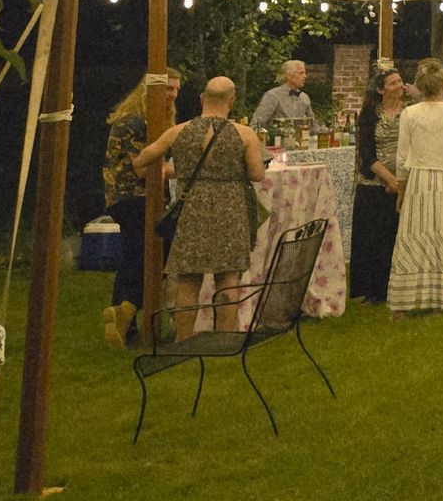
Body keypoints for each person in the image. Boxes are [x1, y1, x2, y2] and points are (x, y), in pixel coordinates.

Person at [133, 77, 268, 341]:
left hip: (192, 207)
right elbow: (257, 174)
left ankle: (183, 339)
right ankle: (225, 339)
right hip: (231, 209)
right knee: (229, 276)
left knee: (188, 278)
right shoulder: (245, 134)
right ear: (232, 100)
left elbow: (143, 160)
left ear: (202, 99)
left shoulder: (179, 131)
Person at [100, 66, 182, 347]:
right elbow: (142, 166)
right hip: (135, 197)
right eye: (168, 88)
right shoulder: (137, 122)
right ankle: (130, 310)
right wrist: (182, 170)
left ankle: (123, 317)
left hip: (125, 198)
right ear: (150, 89)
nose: (172, 94)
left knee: (134, 256)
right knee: (156, 252)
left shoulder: (143, 118)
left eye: (176, 90)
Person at [387, 58, 443, 314]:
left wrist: (400, 189)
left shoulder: (409, 114)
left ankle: (405, 301)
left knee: (415, 234)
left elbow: (401, 157)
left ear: (419, 85)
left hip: (420, 181)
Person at [351, 66, 407, 302]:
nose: (399, 86)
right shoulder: (369, 114)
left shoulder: (410, 112)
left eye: (400, 81)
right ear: (382, 90)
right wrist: (390, 180)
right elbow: (366, 152)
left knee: (394, 235)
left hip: (403, 181)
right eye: (393, 83)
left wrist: (402, 182)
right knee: (372, 236)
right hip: (374, 181)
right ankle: (371, 289)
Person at [249, 58, 313, 140]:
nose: (305, 76)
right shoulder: (272, 96)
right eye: (301, 73)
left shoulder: (304, 97)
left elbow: (313, 126)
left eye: (305, 73)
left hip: (301, 144)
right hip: (276, 144)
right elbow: (256, 125)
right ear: (288, 75)